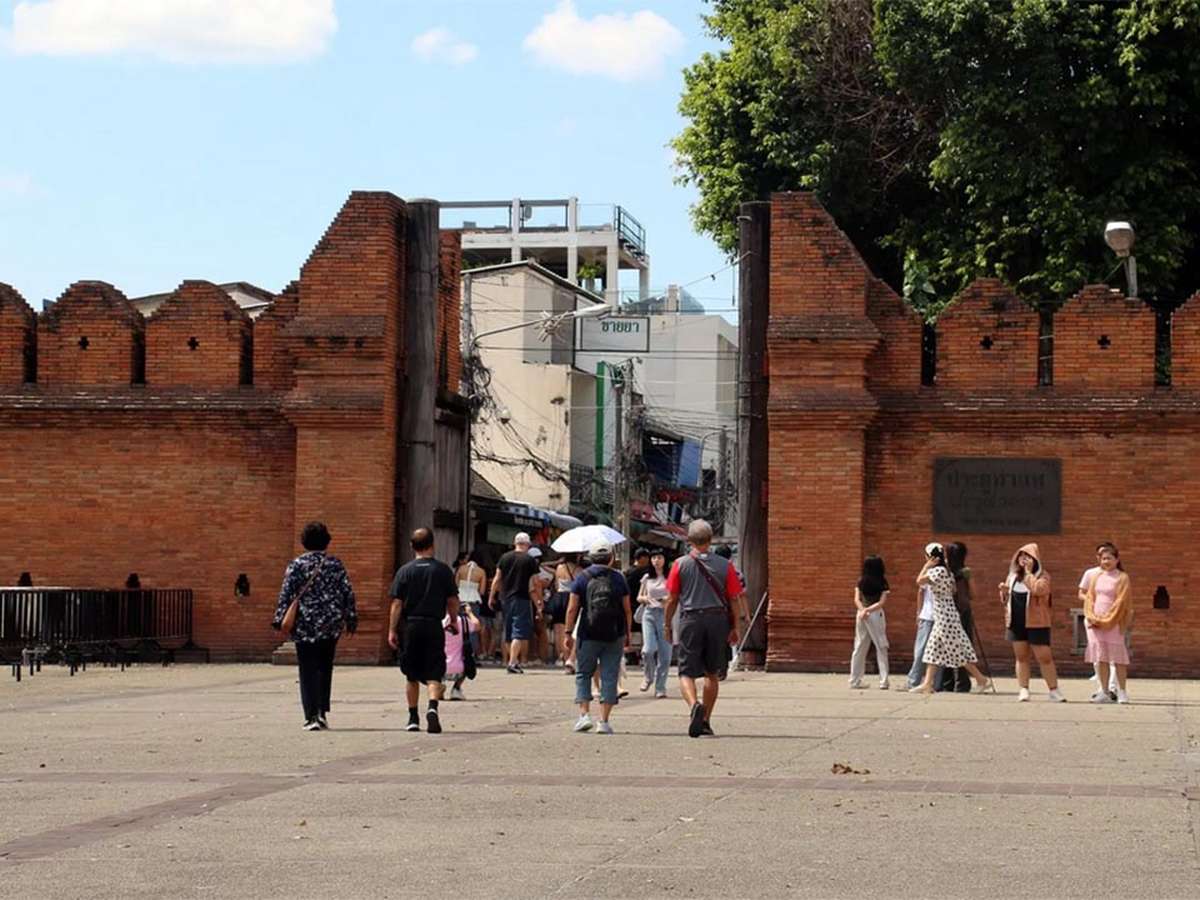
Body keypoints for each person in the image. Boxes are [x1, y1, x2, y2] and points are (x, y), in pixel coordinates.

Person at [272, 521, 357, 731]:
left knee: (307, 668)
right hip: (331, 623)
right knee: (325, 666)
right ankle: (322, 712)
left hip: (305, 624)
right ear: (326, 540)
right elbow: (347, 592)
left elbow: (286, 594)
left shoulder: (296, 565)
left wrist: (280, 618)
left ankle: (310, 716)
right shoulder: (335, 564)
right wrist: (351, 617)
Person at [663, 519, 743, 738]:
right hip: (717, 620)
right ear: (711, 539)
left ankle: (693, 706)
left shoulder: (680, 564)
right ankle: (706, 719)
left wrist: (667, 624)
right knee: (712, 672)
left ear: (689, 540)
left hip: (691, 619)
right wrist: (736, 626)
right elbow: (734, 599)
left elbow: (672, 599)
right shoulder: (725, 566)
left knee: (686, 671)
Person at [388, 528, 460, 733]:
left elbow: (396, 604)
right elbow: (452, 600)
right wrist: (453, 620)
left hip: (411, 625)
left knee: (411, 674)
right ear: (432, 545)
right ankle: (432, 707)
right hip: (433, 624)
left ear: (412, 546)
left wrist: (392, 630)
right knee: (434, 671)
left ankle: (412, 717)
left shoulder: (405, 571)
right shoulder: (443, 570)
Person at [564, 540, 632, 735]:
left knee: (583, 673)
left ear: (590, 558)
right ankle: (603, 721)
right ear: (611, 558)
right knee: (610, 675)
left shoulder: (582, 578)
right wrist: (626, 634)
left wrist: (568, 633)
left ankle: (584, 716)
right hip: (615, 633)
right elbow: (627, 609)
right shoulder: (619, 579)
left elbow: (572, 608)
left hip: (588, 633)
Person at [910, 543, 991, 694]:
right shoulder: (947, 571)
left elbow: (919, 581)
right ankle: (927, 683)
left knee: (956, 651)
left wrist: (926, 566)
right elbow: (953, 589)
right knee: (932, 650)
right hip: (945, 614)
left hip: (944, 616)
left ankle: (981, 679)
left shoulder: (938, 571)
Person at [999, 542, 1065, 702]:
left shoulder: (1043, 575)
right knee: (1021, 656)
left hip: (1037, 622)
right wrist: (1004, 591)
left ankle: (1053, 690)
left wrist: (1029, 573)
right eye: (1021, 556)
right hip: (1016, 621)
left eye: (1028, 556)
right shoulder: (1013, 576)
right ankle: (1023, 689)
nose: (1024, 559)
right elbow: (1006, 600)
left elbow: (1038, 590)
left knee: (1044, 656)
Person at [1084, 544, 1133, 704]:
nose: (1106, 561)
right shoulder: (1096, 576)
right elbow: (1090, 597)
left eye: (1109, 558)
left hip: (1114, 622)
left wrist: (1108, 620)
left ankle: (1122, 691)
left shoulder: (1122, 577)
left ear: (1117, 560)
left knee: (1118, 658)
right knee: (1101, 657)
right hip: (1096, 621)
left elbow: (1121, 602)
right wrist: (1091, 616)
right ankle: (1104, 691)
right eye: (1103, 558)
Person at [489, 533, 541, 674]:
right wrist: (539, 602)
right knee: (518, 631)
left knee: (508, 631)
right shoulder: (530, 560)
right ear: (527, 544)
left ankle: (512, 661)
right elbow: (535, 583)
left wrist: (491, 596)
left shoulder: (504, 557)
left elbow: (497, 578)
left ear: (515, 543)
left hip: (505, 598)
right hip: (522, 598)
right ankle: (512, 662)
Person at [1079, 541, 1120, 698]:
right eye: (1101, 555)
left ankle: (1112, 687)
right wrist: (1092, 601)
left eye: (1108, 555)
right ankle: (1102, 688)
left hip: (1112, 618)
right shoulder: (1091, 573)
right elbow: (1081, 593)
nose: (1105, 559)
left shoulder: (1118, 575)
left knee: (1113, 654)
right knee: (1098, 653)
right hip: (1093, 616)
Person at [938, 542, 976, 693]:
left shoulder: (942, 570)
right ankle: (962, 683)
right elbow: (974, 594)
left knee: (947, 647)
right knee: (963, 647)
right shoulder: (965, 572)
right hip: (963, 612)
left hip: (945, 611)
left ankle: (947, 682)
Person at [849, 555, 889, 690]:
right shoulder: (882, 581)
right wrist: (869, 610)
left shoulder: (861, 581)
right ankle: (883, 681)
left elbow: (856, 599)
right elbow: (882, 602)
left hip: (860, 615)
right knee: (881, 646)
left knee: (859, 646)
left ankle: (854, 680)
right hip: (876, 614)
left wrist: (863, 611)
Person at [637, 550, 671, 698]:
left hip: (666, 615)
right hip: (649, 613)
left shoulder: (670, 577)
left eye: (659, 557)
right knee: (648, 650)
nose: (656, 560)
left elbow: (676, 595)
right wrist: (646, 599)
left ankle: (660, 687)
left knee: (665, 653)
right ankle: (648, 676)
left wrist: (666, 600)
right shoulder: (646, 577)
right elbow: (639, 596)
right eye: (654, 557)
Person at [906, 550, 938, 690]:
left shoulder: (934, 572)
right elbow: (921, 591)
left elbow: (919, 582)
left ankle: (919, 681)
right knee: (925, 651)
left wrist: (926, 566)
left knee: (924, 650)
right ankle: (924, 681)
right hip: (928, 615)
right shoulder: (942, 571)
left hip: (933, 616)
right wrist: (919, 612)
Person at [552, 553, 583, 672]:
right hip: (572, 598)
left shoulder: (559, 567)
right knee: (572, 629)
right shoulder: (579, 570)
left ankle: (563, 658)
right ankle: (571, 658)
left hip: (559, 597)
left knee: (559, 630)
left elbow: (556, 584)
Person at [444, 602, 480, 701]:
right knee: (467, 658)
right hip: (459, 667)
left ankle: (439, 686)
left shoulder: (440, 621)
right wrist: (469, 613)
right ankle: (456, 687)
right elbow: (477, 625)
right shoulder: (464, 621)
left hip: (440, 667)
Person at [455, 551, 487, 659]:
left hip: (460, 599)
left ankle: (458, 652)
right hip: (473, 600)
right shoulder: (481, 572)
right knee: (473, 628)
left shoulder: (461, 569)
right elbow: (482, 591)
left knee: (459, 626)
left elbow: (455, 585)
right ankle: (471, 654)